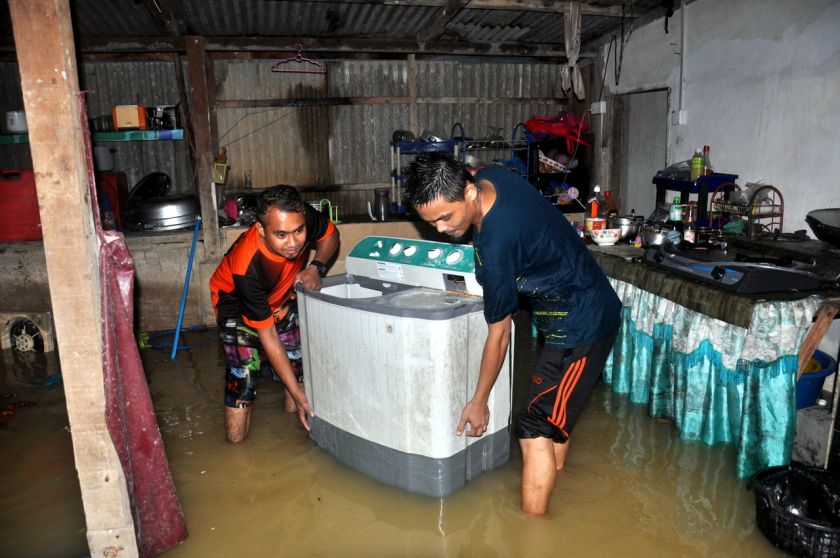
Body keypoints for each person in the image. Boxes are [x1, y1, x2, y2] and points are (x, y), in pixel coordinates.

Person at [404, 153, 620, 515]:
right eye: (431, 221)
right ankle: (555, 491)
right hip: (578, 308)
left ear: (469, 192)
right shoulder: (491, 177)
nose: (440, 229)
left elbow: (501, 334)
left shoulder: (497, 244)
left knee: (533, 425)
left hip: (581, 326)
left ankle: (532, 532)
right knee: (554, 419)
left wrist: (479, 401)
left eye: (445, 217)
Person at [209, 185, 339, 443]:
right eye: (281, 235)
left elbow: (330, 235)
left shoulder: (300, 216)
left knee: (297, 366)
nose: (293, 243)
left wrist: (316, 266)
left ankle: (294, 437)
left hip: (282, 296)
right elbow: (267, 335)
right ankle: (236, 451)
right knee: (244, 377)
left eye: (299, 231)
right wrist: (299, 395)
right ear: (260, 229)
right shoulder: (246, 266)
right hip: (236, 304)